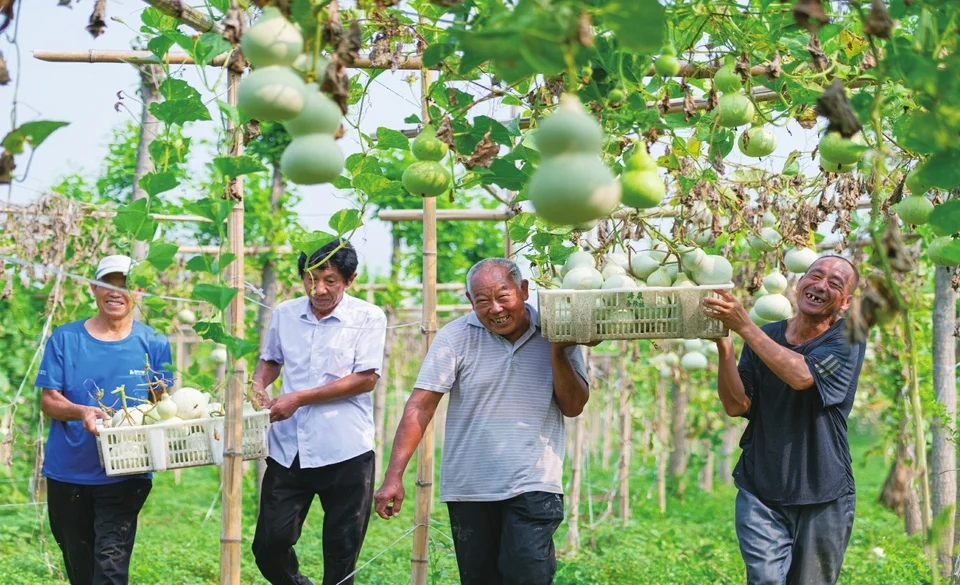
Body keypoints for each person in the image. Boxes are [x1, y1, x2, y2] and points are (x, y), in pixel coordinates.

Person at [373, 258, 591, 585]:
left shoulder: (557, 330)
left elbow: (573, 406)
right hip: (469, 489)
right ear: (469, 301)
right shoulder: (455, 337)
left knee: (528, 574)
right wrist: (393, 476)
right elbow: (420, 407)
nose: (495, 309)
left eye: (504, 296)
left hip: (534, 484)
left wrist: (558, 350)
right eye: (482, 301)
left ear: (524, 290)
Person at [702, 255, 866, 585]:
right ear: (799, 283)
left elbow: (802, 376)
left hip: (824, 492)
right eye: (815, 276)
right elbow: (737, 405)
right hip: (760, 488)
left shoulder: (848, 337)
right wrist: (725, 346)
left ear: (846, 302)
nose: (821, 285)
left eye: (834, 284)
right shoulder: (766, 335)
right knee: (763, 579)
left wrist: (745, 327)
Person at [250, 239, 387, 585]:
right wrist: (258, 385)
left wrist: (298, 398)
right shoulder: (285, 314)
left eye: (330, 280)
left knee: (342, 552)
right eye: (310, 279)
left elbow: (366, 379)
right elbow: (271, 360)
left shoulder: (368, 317)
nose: (318, 289)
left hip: (346, 450)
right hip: (289, 448)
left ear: (350, 279)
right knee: (269, 544)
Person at [36, 254, 173, 585]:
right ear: (92, 289)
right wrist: (82, 411)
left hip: (127, 472)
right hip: (68, 472)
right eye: (106, 284)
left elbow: (163, 405)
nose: (116, 292)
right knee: (80, 567)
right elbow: (49, 401)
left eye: (125, 285)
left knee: (111, 565)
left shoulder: (154, 342)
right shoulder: (66, 339)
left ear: (138, 291)